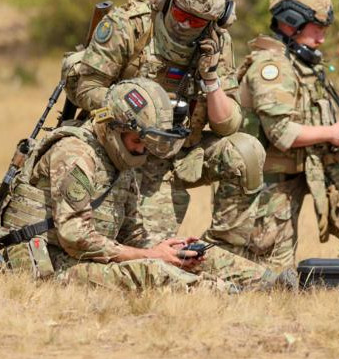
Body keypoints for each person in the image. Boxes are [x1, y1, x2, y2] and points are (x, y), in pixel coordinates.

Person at [0, 78, 280, 291]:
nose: (144, 150)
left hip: (88, 256)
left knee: (199, 255)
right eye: (139, 140)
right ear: (115, 128)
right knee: (152, 274)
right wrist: (151, 256)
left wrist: (167, 249)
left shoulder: (120, 159)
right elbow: (75, 238)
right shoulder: (75, 154)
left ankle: (275, 284)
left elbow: (131, 230)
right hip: (50, 262)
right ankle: (225, 294)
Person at [64, 0, 265, 241]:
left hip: (179, 153)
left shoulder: (218, 43)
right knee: (143, 251)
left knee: (246, 151)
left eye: (195, 21)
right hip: (122, 150)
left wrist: (210, 79)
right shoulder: (129, 25)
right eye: (181, 12)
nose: (184, 23)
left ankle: (224, 251)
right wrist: (132, 112)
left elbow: (227, 126)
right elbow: (86, 87)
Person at [204, 0, 339, 267]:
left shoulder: (301, 65)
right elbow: (281, 134)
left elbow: (303, 119)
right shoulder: (273, 68)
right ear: (291, 23)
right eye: (317, 28)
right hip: (268, 183)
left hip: (306, 167)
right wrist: (332, 133)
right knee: (271, 276)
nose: (322, 38)